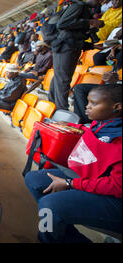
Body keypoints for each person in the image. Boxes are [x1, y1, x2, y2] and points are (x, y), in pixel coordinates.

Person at [25, 84, 122, 242]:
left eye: (94, 104)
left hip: (115, 199)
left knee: (49, 206)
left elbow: (117, 186)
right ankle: (63, 235)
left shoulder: (118, 138)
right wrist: (72, 126)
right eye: (88, 102)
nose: (87, 107)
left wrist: (71, 183)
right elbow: (92, 130)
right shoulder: (105, 123)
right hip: (92, 179)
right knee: (33, 179)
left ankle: (47, 237)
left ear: (116, 107)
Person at [48, 0, 110, 110]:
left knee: (60, 78)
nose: (99, 2)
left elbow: (76, 36)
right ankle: (61, 110)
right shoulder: (78, 6)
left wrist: (92, 45)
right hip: (65, 48)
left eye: (102, 0)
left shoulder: (86, 11)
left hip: (71, 48)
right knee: (63, 79)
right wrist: (89, 22)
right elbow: (63, 24)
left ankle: (54, 106)